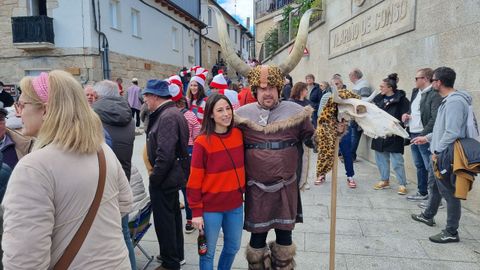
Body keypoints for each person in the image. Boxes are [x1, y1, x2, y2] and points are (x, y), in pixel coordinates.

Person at [2, 70, 133, 269]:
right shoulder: (101, 149)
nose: (18, 112)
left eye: (22, 104)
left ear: (45, 111)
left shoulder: (33, 168)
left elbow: (24, 261)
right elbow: (125, 202)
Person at [235, 65, 315, 269]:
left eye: (272, 88)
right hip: (256, 188)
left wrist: (333, 130)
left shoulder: (295, 112)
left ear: (279, 89)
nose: (267, 92)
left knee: (284, 235)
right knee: (257, 238)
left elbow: (311, 139)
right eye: (262, 89)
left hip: (285, 186)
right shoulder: (242, 115)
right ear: (255, 91)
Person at [411, 67, 473, 243]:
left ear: (438, 82)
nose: (432, 84)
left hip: (445, 154)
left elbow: (452, 132)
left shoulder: (454, 102)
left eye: (433, 81)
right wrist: (427, 138)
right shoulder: (448, 100)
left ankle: (451, 231)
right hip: (439, 150)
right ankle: (428, 215)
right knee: (435, 186)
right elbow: (442, 129)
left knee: (449, 193)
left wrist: (437, 151)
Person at [187, 94, 245, 270]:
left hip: (235, 205)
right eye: (220, 110)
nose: (226, 113)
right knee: (208, 253)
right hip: (211, 208)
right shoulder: (202, 142)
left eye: (228, 108)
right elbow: (194, 180)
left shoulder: (238, 134)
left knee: (233, 247)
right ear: (211, 114)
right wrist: (196, 212)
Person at [143, 79, 189, 270]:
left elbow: (166, 153)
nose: (144, 99)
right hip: (170, 177)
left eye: (146, 96)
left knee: (165, 222)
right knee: (173, 218)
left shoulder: (167, 116)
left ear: (155, 96)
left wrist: (155, 178)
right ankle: (175, 256)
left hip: (165, 178)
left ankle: (170, 263)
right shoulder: (170, 112)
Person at [92, 80, 136, 269]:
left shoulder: (93, 115)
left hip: (100, 181)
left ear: (98, 96)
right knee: (124, 232)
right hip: (122, 177)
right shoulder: (128, 115)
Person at [403, 68, 443, 202]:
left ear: (425, 79)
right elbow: (414, 110)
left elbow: (434, 118)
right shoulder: (416, 91)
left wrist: (424, 135)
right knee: (419, 165)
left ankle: (435, 199)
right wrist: (407, 115)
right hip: (413, 132)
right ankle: (422, 192)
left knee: (430, 166)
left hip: (424, 134)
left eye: (416, 78)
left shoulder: (434, 94)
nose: (415, 81)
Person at [315, 77, 359, 188]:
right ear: (331, 86)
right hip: (328, 129)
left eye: (338, 83)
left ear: (342, 84)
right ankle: (321, 174)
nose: (336, 85)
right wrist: (332, 123)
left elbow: (352, 113)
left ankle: (350, 176)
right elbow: (320, 113)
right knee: (324, 152)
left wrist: (344, 123)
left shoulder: (348, 96)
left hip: (344, 129)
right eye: (334, 84)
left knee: (347, 152)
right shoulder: (326, 96)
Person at [169, 81, 201, 234]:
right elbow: (197, 136)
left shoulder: (167, 115)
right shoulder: (190, 116)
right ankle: (190, 219)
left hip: (173, 152)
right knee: (189, 188)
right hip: (189, 152)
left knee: (178, 187)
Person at [371, 74, 410, 195]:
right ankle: (384, 180)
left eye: (382, 86)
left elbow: (406, 115)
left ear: (390, 88)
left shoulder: (401, 100)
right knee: (381, 159)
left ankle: (402, 184)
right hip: (379, 133)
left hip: (394, 135)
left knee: (397, 161)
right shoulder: (379, 99)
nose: (380, 88)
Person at [348, 68, 373, 161]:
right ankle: (350, 156)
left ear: (354, 76)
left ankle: (351, 157)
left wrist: (358, 115)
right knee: (353, 136)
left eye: (350, 75)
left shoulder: (364, 85)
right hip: (353, 115)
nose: (349, 77)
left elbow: (364, 101)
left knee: (354, 136)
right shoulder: (357, 85)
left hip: (358, 116)